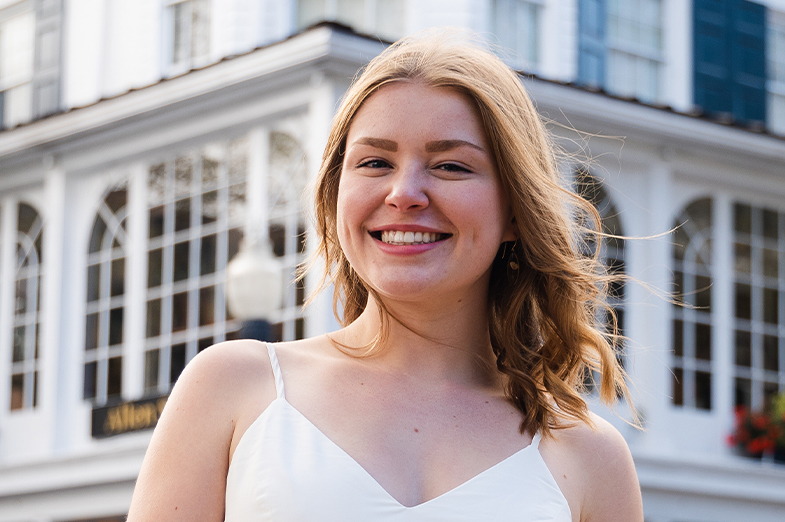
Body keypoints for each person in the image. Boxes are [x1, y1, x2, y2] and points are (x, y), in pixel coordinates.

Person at [127, 29, 644, 522]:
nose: (404, 193)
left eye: (451, 167)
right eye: (374, 162)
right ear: (335, 197)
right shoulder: (235, 385)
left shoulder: (589, 454)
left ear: (514, 210)